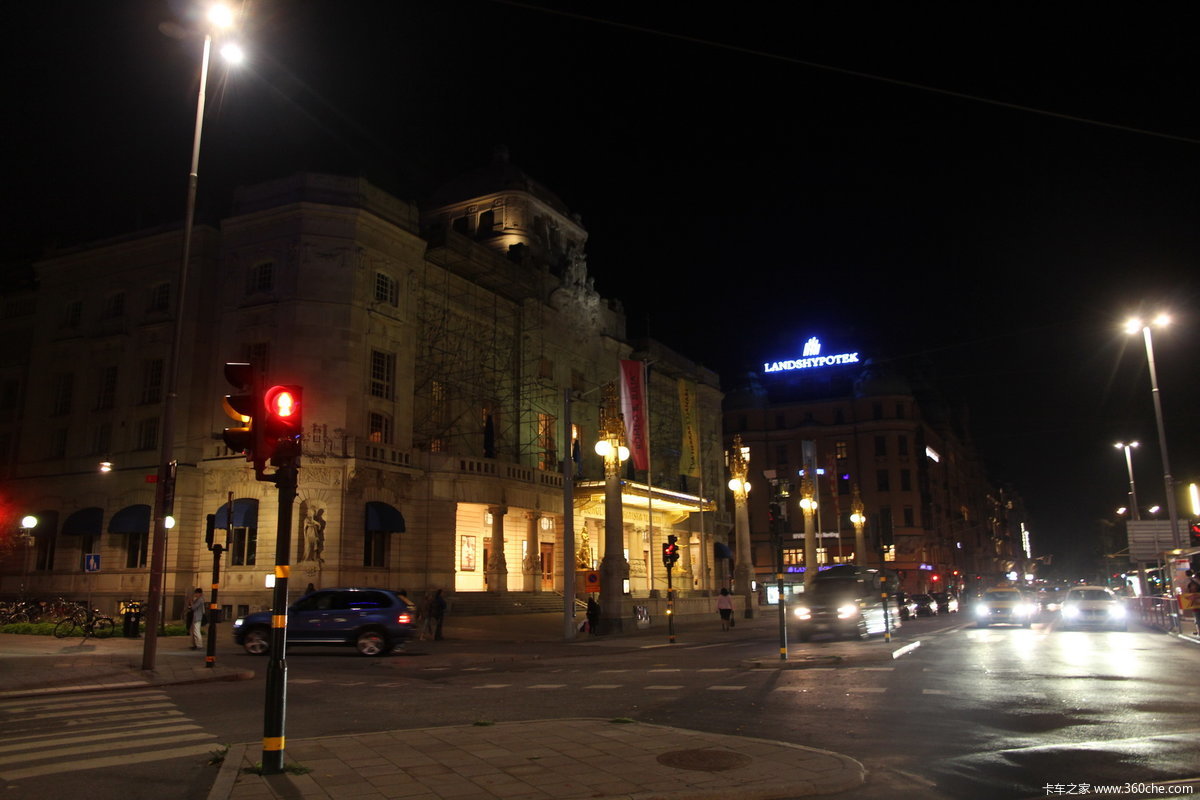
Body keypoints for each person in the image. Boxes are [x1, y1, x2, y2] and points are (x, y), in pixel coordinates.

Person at [1184, 570, 1200, 635]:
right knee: (1197, 618)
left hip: (1196, 605)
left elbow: (1188, 592)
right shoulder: (1192, 582)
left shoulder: (1191, 583)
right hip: (1196, 605)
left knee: (1198, 619)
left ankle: (1198, 631)